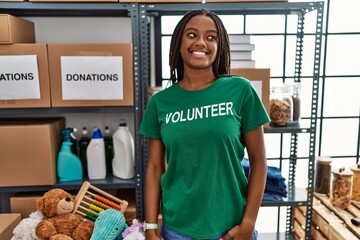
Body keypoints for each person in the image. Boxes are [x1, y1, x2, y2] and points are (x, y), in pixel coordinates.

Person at [139, 9, 269, 240]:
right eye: (191, 34)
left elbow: (259, 161)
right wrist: (150, 226)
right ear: (178, 43)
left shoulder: (241, 90)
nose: (201, 42)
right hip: (177, 229)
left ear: (219, 47)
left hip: (231, 229)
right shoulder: (160, 103)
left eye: (211, 37)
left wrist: (248, 223)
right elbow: (155, 167)